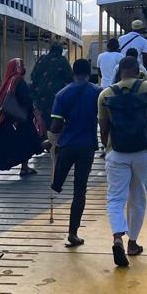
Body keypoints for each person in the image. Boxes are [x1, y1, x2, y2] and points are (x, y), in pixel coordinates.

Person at [99, 56, 147, 267]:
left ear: (120, 71)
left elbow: (103, 130)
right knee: (138, 197)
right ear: (137, 70)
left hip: (116, 152)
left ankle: (117, 238)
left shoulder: (106, 94)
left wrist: (108, 149)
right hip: (143, 151)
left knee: (115, 198)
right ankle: (132, 243)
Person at [48, 59, 101, 248]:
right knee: (80, 190)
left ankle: (56, 185)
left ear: (73, 72)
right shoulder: (98, 92)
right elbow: (104, 119)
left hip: (67, 146)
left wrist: (51, 139)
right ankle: (73, 233)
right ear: (89, 73)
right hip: (87, 146)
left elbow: (56, 125)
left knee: (57, 183)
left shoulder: (62, 94)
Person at [0, 58, 43, 180]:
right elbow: (25, 98)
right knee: (27, 141)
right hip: (20, 119)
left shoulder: (8, 81)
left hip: (8, 120)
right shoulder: (18, 81)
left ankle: (21, 166)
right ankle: (20, 166)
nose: (24, 66)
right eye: (21, 64)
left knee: (9, 144)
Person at [31, 42, 72, 129]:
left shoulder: (41, 59)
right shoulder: (62, 60)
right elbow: (70, 78)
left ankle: (44, 138)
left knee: (42, 123)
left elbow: (33, 76)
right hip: (56, 98)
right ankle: (52, 139)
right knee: (55, 122)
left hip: (40, 97)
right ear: (60, 51)